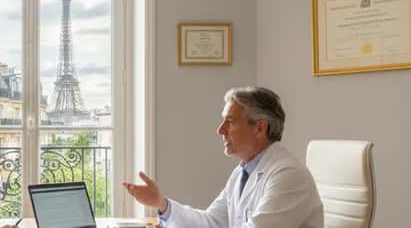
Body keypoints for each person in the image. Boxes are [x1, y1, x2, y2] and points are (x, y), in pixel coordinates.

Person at [122, 86, 323, 227]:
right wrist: (162, 204)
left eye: (230, 122)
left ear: (260, 127)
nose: (220, 130)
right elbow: (212, 222)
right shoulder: (242, 172)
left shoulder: (288, 175)